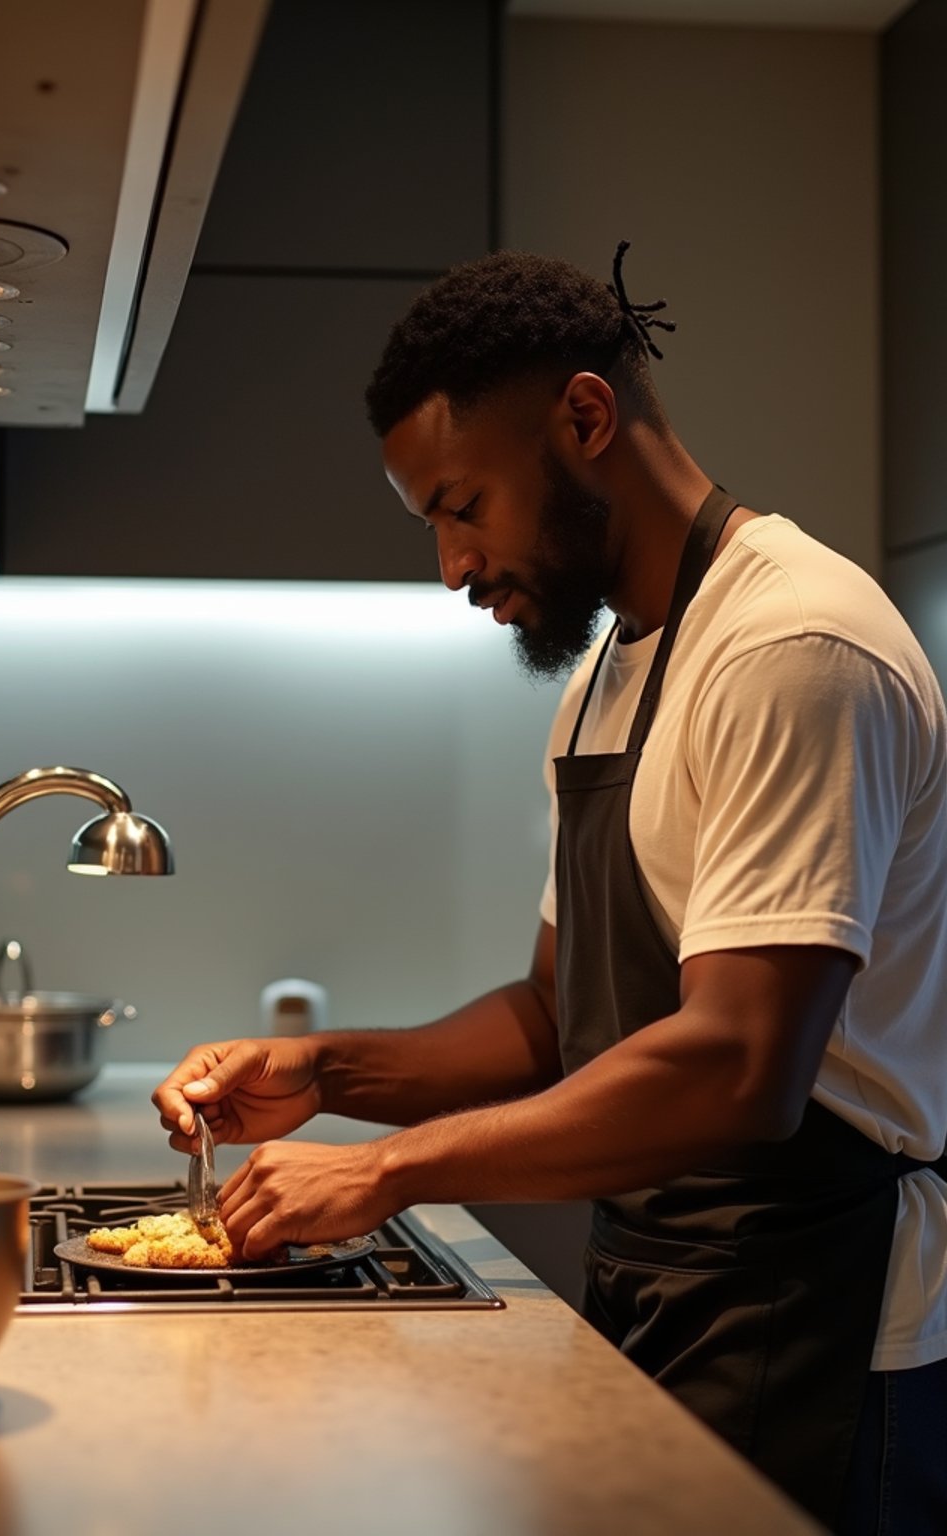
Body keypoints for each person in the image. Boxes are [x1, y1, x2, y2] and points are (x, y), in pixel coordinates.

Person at [154, 244, 947, 1533]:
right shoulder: (610, 679)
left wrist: (390, 1170)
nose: (452, 566)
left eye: (462, 505)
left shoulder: (795, 647)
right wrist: (319, 1075)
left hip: (824, 1323)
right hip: (669, 1289)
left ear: (585, 417)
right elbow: (551, 1020)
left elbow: (740, 1067)